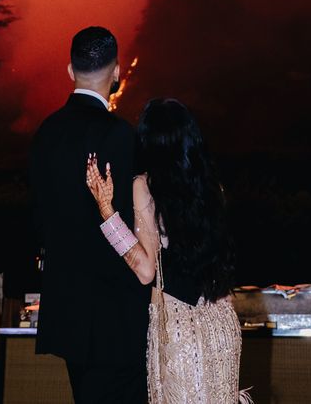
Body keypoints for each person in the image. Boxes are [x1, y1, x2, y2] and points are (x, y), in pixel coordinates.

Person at [86, 97, 244, 404]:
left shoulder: (145, 186)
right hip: (223, 326)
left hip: (180, 332)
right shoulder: (213, 188)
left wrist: (107, 213)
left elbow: (146, 271)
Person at [30, 26, 150, 404]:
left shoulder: (45, 134)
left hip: (67, 309)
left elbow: (39, 217)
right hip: (117, 315)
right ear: (117, 73)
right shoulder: (121, 137)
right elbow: (137, 223)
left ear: (70, 70)